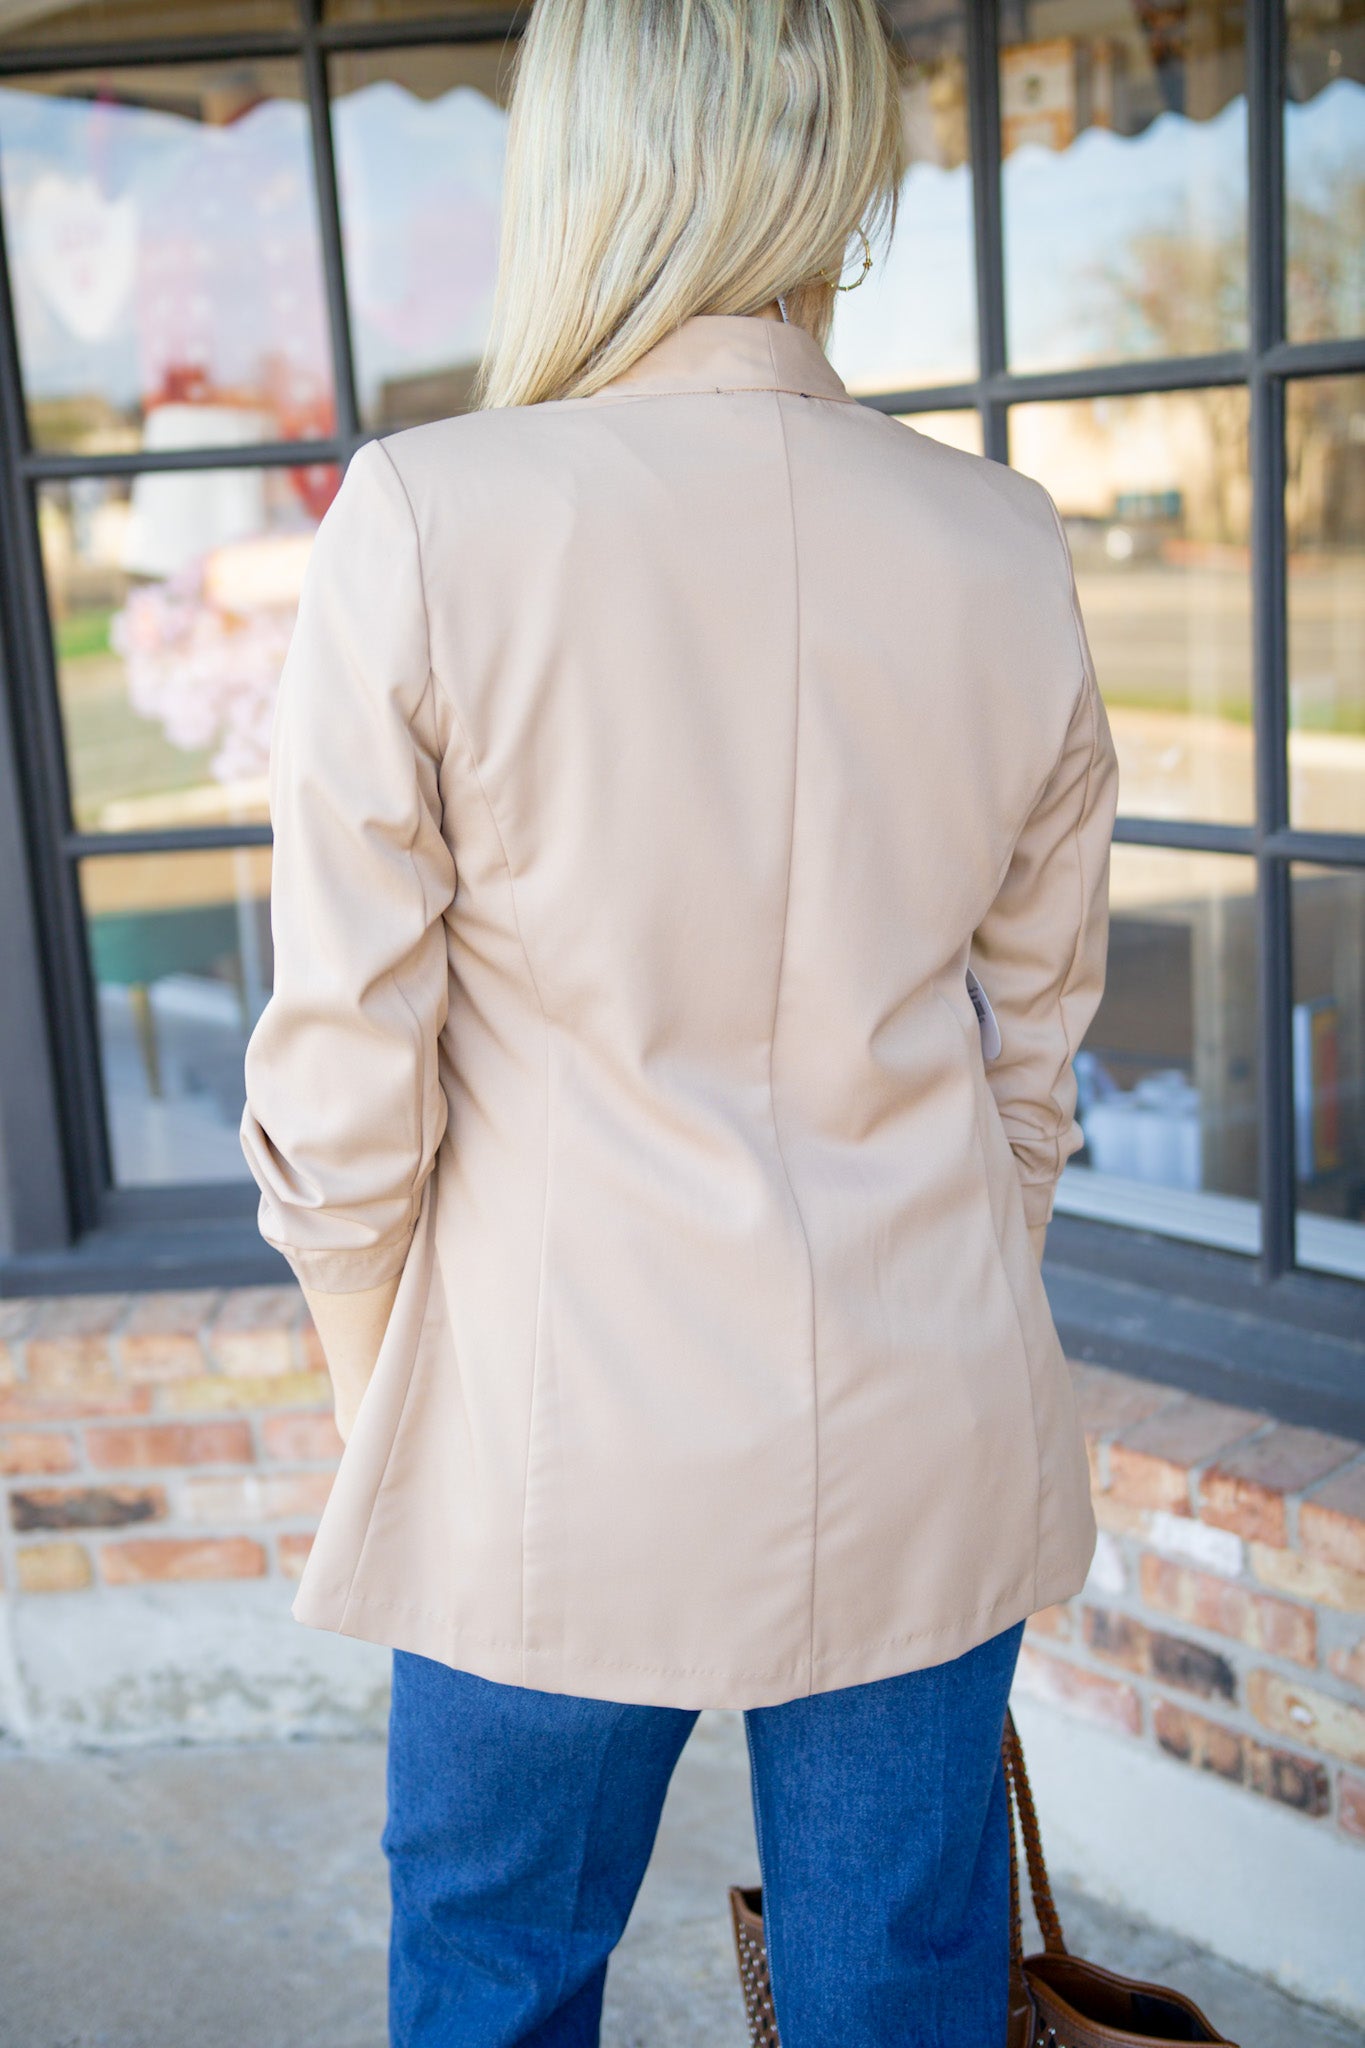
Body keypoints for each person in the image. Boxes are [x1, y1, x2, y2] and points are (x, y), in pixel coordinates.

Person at [238, 1, 1120, 2041]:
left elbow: (345, 1078)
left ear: (579, 160)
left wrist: (391, 1408)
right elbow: (1032, 1054)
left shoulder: (432, 516)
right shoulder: (998, 539)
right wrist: (952, 1312)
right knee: (897, 1992)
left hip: (547, 1422)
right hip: (920, 1408)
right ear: (836, 164)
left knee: (495, 1980)